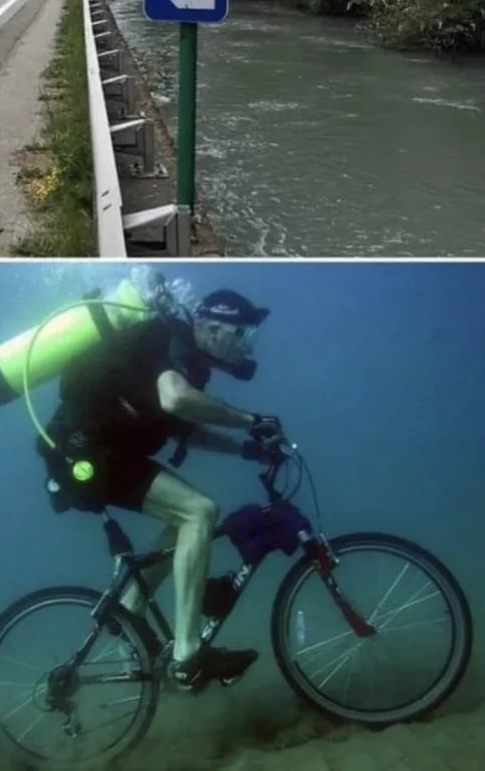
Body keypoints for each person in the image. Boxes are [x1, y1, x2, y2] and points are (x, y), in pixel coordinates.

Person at [38, 286, 285, 691]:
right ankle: (187, 655)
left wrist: (246, 449)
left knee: (186, 519)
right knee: (199, 511)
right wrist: (249, 419)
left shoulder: (184, 361)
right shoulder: (169, 338)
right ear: (210, 326)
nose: (244, 347)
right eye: (240, 335)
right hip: (85, 454)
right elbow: (175, 401)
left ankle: (130, 614)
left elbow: (183, 425)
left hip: (102, 453)